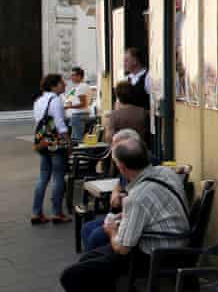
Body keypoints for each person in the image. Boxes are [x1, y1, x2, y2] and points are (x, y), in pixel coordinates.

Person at [60, 138, 190, 292]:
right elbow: (155, 209)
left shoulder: (136, 197)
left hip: (156, 254)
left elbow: (122, 248)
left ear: (121, 167)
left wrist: (111, 230)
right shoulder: (166, 172)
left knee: (71, 275)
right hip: (174, 242)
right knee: (88, 260)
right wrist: (124, 215)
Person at [80, 129, 141, 251]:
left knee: (97, 235)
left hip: (134, 224)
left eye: (116, 147)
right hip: (126, 215)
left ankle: (101, 263)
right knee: (87, 228)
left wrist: (112, 229)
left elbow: (137, 206)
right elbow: (120, 182)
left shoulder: (133, 164)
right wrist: (116, 192)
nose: (113, 150)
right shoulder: (128, 163)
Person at [32, 73, 71, 224]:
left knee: (43, 177)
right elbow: (60, 126)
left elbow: (38, 123)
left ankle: (36, 212)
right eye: (62, 83)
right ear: (54, 85)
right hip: (55, 144)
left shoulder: (39, 100)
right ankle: (57, 212)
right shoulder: (55, 100)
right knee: (58, 176)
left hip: (43, 143)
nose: (65, 85)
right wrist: (68, 144)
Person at [64, 67, 91, 141]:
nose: (71, 77)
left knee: (78, 139)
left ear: (79, 76)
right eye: (71, 75)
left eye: (73, 75)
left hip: (79, 116)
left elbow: (83, 103)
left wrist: (69, 106)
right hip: (80, 115)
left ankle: (80, 152)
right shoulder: (81, 86)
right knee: (77, 138)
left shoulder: (81, 87)